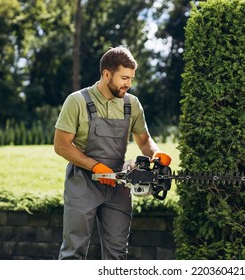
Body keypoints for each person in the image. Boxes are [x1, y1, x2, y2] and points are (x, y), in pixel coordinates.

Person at [54, 46, 171, 260]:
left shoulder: (131, 104)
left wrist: (156, 153)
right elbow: (61, 145)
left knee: (117, 253)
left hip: (118, 184)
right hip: (83, 183)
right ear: (106, 74)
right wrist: (95, 166)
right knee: (74, 252)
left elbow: (144, 140)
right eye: (124, 78)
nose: (129, 84)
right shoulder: (77, 101)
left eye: (131, 79)